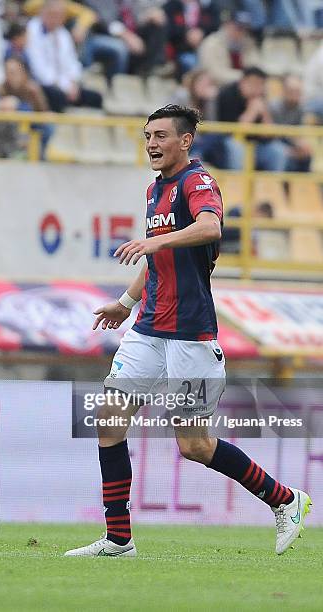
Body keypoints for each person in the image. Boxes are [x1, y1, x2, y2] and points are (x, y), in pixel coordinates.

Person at [64, 104, 312, 558]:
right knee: (109, 417)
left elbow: (210, 227)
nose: (152, 144)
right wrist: (125, 303)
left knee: (194, 445)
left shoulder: (197, 182)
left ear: (185, 141)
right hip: (148, 329)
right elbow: (158, 260)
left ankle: (286, 500)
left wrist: (155, 240)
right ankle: (119, 539)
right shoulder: (154, 190)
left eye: (160, 135)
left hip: (190, 335)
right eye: (147, 136)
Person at [26, 0, 102, 112]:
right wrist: (64, 87)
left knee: (96, 98)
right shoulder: (32, 30)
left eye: (60, 16)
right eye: (53, 14)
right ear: (43, 13)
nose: (56, 19)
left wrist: (73, 84)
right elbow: (38, 68)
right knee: (58, 97)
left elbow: (72, 62)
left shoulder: (63, 34)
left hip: (66, 86)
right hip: (45, 85)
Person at [216, 66, 289, 171]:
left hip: (256, 144)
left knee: (278, 151)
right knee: (237, 148)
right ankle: (237, 185)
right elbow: (235, 132)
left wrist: (264, 113)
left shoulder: (261, 98)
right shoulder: (227, 95)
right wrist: (252, 111)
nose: (257, 88)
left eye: (261, 84)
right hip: (229, 142)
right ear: (242, 82)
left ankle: (273, 186)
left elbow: (270, 133)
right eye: (254, 84)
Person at [198, 10, 261, 85]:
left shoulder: (248, 42)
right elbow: (216, 74)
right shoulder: (211, 44)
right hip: (217, 87)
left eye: (245, 28)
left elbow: (256, 66)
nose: (242, 32)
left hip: (244, 86)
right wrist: (246, 77)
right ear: (227, 25)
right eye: (238, 28)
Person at [269, 74, 311, 172]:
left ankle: (303, 185)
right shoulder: (274, 107)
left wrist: (300, 144)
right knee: (281, 154)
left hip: (290, 142)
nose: (295, 94)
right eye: (292, 91)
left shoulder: (300, 108)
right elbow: (272, 134)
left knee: (306, 154)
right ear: (284, 91)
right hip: (273, 143)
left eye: (298, 91)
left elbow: (298, 132)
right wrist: (290, 148)